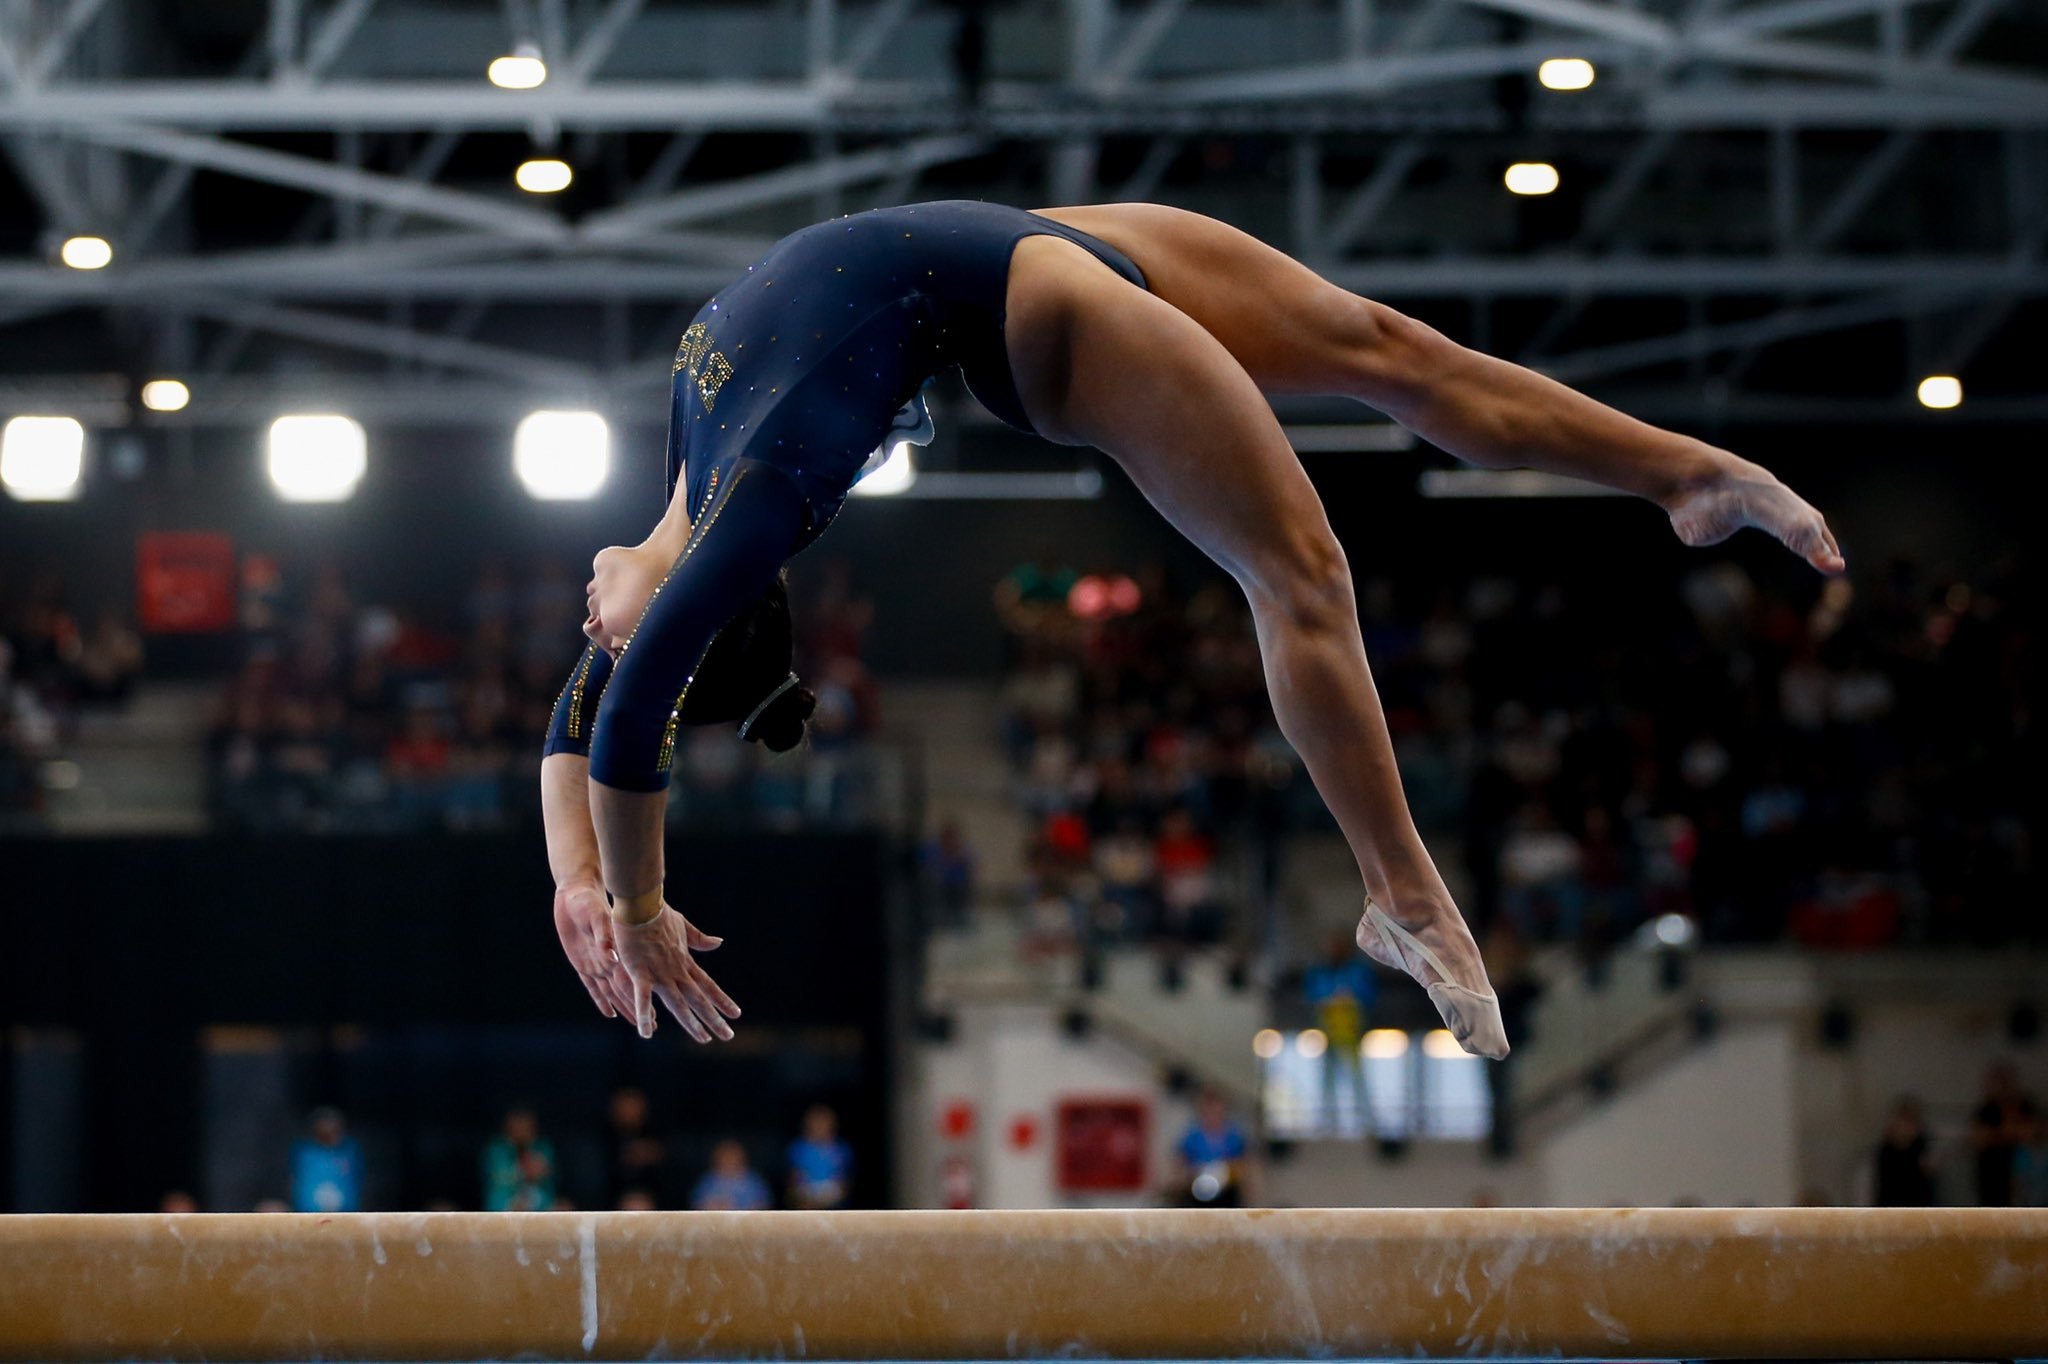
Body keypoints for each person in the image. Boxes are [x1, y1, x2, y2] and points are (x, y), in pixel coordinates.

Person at [539, 200, 1844, 1057]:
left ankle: (1684, 475)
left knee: (1394, 347)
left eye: (594, 633)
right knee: (1304, 573)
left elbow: (598, 715)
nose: (590, 631)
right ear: (713, 612)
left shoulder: (691, 476)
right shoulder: (754, 507)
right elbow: (629, 711)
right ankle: (1403, 898)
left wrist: (586, 884)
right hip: (1041, 317)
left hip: (1023, 240)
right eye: (611, 636)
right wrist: (630, 899)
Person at [1970, 1062, 2039, 1207]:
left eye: (2005, 1082)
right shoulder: (1986, 1109)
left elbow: (2031, 1134)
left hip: (2022, 1168)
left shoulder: (2024, 1105)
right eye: (1997, 1082)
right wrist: (2007, 1134)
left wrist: (1997, 1135)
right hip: (1991, 1169)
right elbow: (1978, 1139)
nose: (2002, 1087)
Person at [1175, 1089, 1253, 1207]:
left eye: (1216, 1110)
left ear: (1223, 1110)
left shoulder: (1234, 1136)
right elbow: (1180, 1166)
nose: (1213, 1114)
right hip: (1198, 1190)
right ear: (1202, 1111)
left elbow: (1245, 1166)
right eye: (1209, 1110)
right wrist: (1195, 1172)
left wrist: (1225, 1171)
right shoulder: (1192, 1136)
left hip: (1228, 1191)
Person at [481, 1106, 557, 1212]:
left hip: (538, 1205)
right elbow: (495, 1177)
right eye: (517, 1124)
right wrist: (521, 1172)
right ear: (508, 1126)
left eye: (525, 1125)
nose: (521, 1128)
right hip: (503, 1206)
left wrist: (539, 1171)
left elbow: (548, 1176)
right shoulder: (496, 1150)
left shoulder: (542, 1148)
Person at [289, 1106, 364, 1214]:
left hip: (345, 1213)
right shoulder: (304, 1152)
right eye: (325, 1134)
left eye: (334, 1131)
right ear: (315, 1130)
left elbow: (359, 1179)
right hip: (308, 1212)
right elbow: (293, 1181)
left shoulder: (350, 1150)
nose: (330, 1135)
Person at [786, 1104, 855, 1210]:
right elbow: (794, 1180)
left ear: (832, 1125)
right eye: (816, 1123)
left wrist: (829, 1197)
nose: (819, 1126)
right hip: (806, 1196)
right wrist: (806, 1196)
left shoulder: (842, 1150)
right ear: (807, 1125)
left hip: (833, 1197)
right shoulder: (798, 1149)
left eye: (823, 1123)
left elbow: (845, 1181)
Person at [1873, 1096, 1938, 1206]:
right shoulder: (1885, 1150)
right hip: (1890, 1207)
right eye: (1902, 1122)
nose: (1905, 1128)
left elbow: (1930, 1172)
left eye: (1910, 1122)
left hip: (1918, 1207)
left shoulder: (1922, 1147)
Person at [689, 1140, 772, 1211]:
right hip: (714, 1226)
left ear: (742, 1158)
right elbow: (696, 1205)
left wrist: (741, 1210)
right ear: (717, 1159)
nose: (730, 1160)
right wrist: (714, 1206)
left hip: (747, 1224)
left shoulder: (754, 1181)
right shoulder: (707, 1181)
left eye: (733, 1157)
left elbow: (764, 1205)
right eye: (726, 1157)